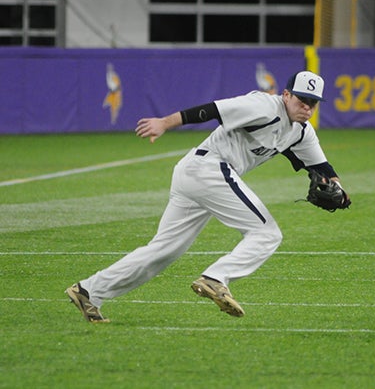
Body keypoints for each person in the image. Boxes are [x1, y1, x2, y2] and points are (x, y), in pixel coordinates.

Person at [66, 70, 350, 322]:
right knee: (267, 234)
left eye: (313, 102)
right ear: (286, 95)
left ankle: (89, 291)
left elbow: (322, 167)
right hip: (209, 169)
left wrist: (340, 192)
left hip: (197, 175)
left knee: (162, 251)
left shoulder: (301, 132)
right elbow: (212, 109)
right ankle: (216, 278)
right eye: (301, 99)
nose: (307, 107)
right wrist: (165, 123)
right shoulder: (264, 105)